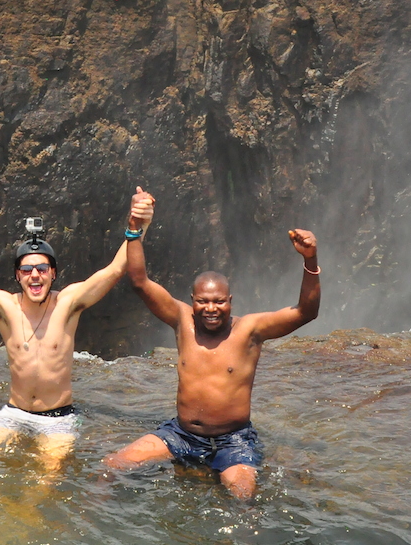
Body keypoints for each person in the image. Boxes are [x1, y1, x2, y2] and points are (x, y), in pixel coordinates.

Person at [105, 189, 321, 499]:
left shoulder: (249, 331)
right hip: (180, 434)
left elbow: (306, 312)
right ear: (192, 301)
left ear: (230, 301)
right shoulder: (182, 320)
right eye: (203, 302)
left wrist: (310, 260)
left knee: (243, 495)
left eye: (218, 302)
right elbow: (140, 282)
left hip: (233, 441)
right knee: (113, 464)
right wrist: (134, 227)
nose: (211, 309)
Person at [0, 189, 141, 470]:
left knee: (46, 477)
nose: (35, 275)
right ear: (17, 276)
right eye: (27, 270)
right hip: (14, 413)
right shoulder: (4, 307)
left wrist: (138, 226)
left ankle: (26, 511)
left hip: (58, 418)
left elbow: (115, 270)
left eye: (42, 268)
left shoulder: (69, 304)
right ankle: (2, 512)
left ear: (53, 273)